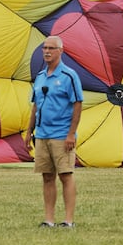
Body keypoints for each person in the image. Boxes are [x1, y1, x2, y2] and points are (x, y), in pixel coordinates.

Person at [24, 35, 83, 228]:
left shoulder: (69, 76)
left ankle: (68, 220)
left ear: (61, 51)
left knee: (65, 175)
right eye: (44, 48)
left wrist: (70, 134)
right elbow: (35, 106)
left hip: (61, 134)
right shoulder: (40, 77)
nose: (47, 51)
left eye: (51, 48)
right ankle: (49, 220)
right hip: (42, 135)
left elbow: (77, 104)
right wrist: (29, 131)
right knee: (47, 176)